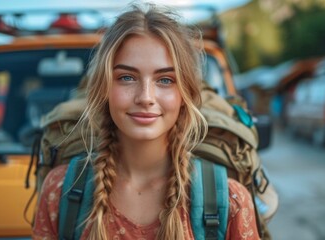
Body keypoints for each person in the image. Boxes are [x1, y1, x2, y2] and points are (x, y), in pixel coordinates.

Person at [32, 3, 259, 240]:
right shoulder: (61, 190)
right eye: (127, 77)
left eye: (165, 80)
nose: (146, 97)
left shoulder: (229, 201)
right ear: (104, 88)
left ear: (185, 95)